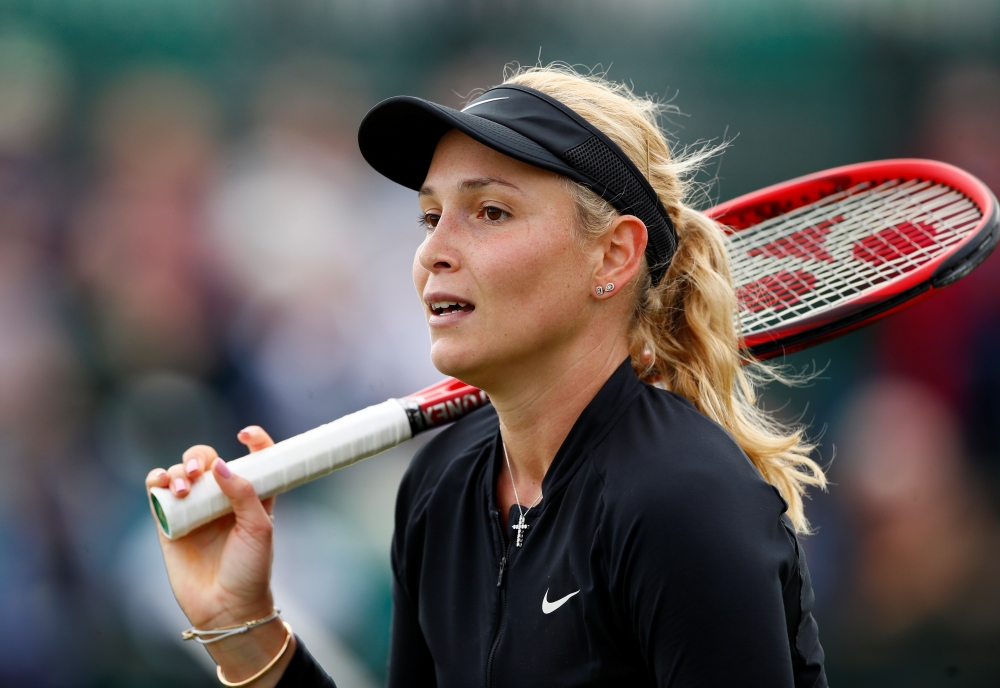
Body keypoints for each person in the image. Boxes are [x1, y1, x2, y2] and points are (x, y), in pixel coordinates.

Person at [146, 65, 828, 687]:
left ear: (613, 255)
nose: (433, 252)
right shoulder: (439, 484)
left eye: (490, 212)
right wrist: (241, 624)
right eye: (430, 216)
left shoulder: (684, 501)